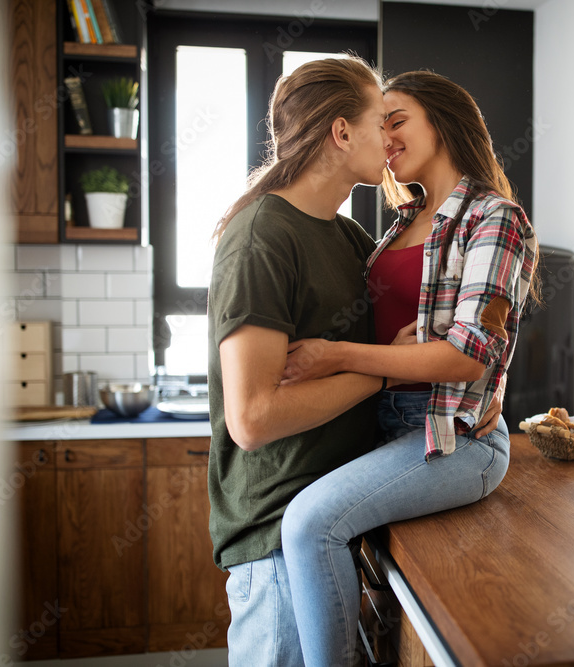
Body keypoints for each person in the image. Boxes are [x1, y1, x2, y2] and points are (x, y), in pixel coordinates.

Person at [279, 70, 539, 666]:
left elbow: (468, 353)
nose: (385, 136)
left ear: (443, 120)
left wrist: (338, 355)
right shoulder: (401, 222)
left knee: (309, 525)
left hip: (452, 437)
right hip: (383, 422)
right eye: (379, 124)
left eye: (397, 120)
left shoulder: (493, 218)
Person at [206, 57, 393, 667]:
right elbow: (254, 418)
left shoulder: (349, 239)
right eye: (380, 123)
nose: (391, 140)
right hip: (277, 540)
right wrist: (382, 371)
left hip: (332, 524)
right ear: (341, 133)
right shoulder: (261, 237)